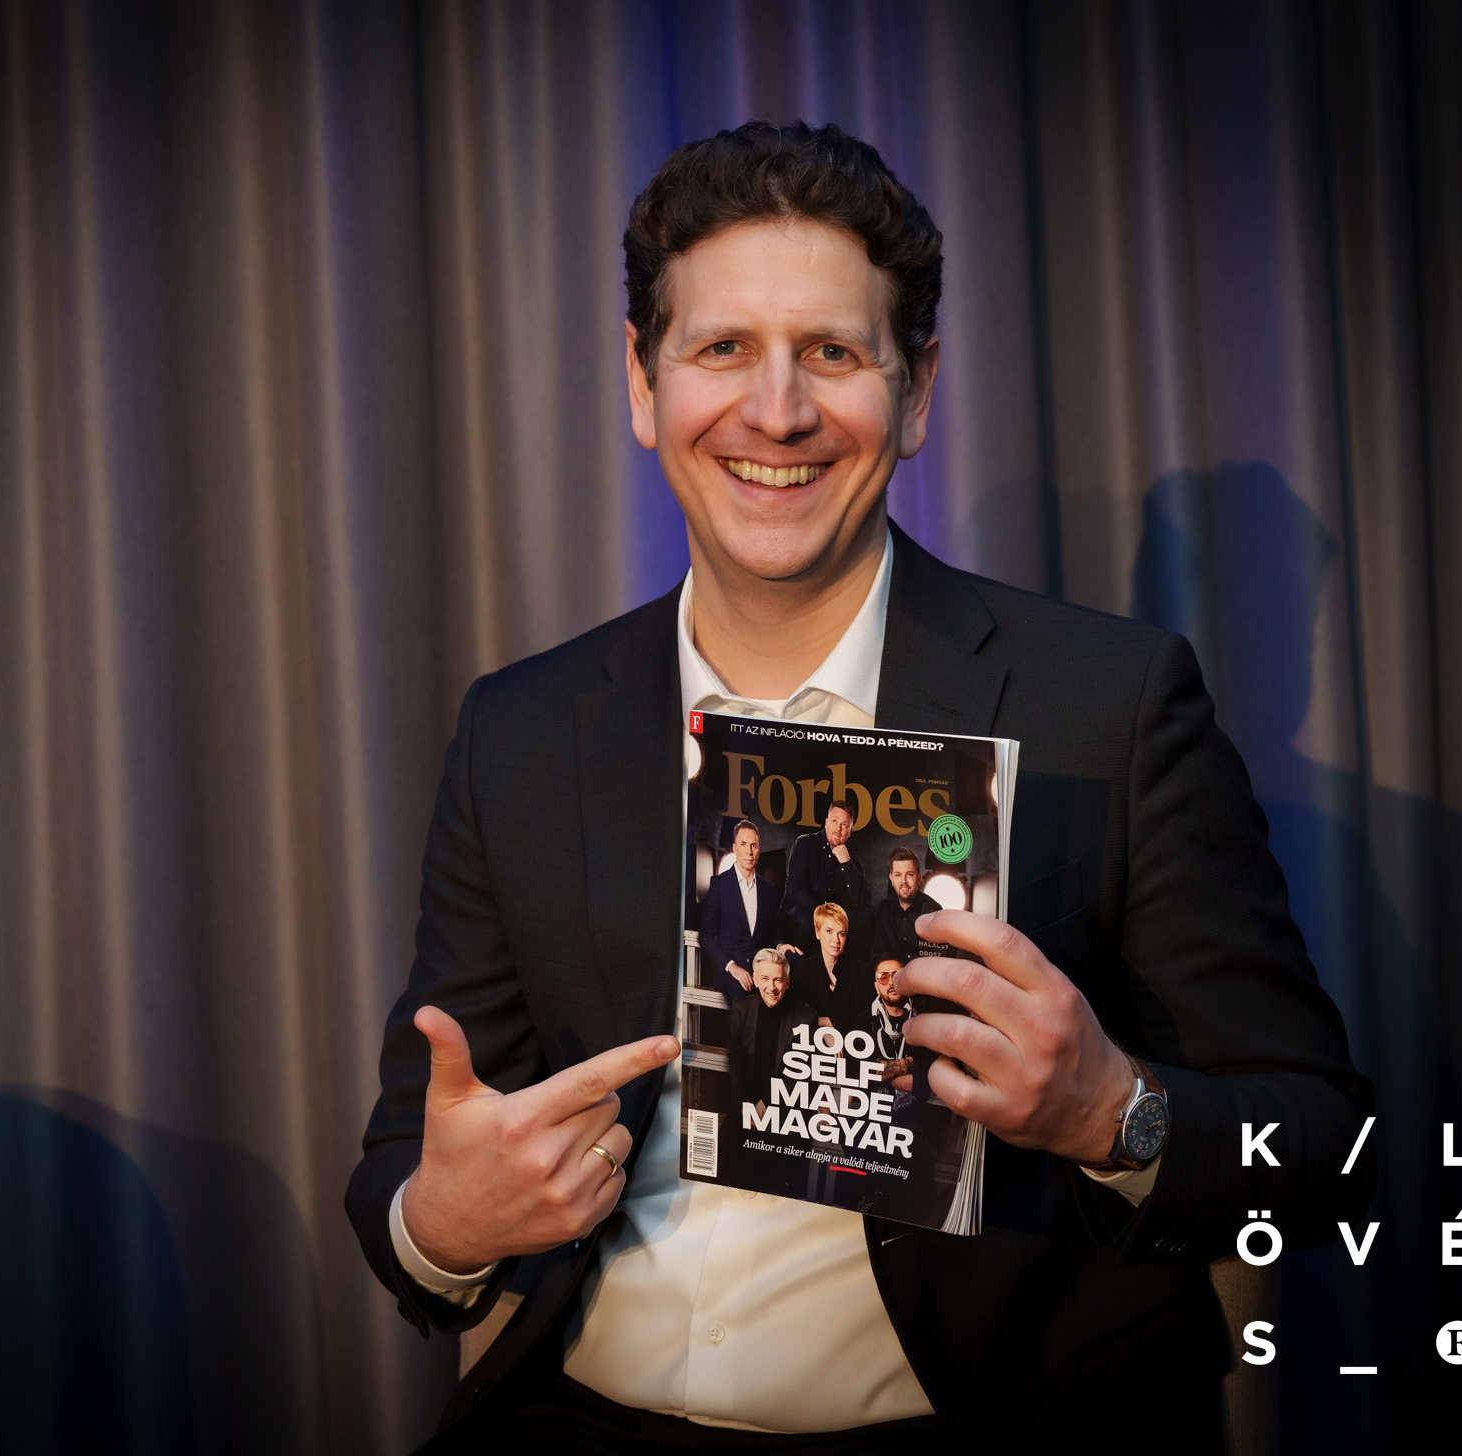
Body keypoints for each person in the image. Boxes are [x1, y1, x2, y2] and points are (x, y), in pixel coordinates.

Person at [347, 121, 1371, 1449]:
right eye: (723, 348)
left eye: (832, 352)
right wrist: (443, 1227)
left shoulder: (1109, 707)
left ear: (918, 391)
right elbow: (409, 1163)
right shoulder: (523, 730)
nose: (777, 411)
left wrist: (1112, 1111)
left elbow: (1324, 1145)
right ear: (644, 384)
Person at [697, 818, 782, 995]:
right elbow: (706, 936)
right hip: (732, 974)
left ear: (759, 850)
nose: (749, 852)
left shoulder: (768, 889)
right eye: (743, 844)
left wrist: (781, 945)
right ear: (735, 848)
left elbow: (773, 933)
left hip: (762, 972)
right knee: (744, 1002)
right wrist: (732, 967)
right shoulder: (720, 884)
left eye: (754, 846)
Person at [726, 949, 817, 1109]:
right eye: (765, 979)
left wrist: (766, 1105)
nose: (771, 987)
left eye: (778, 980)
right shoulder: (740, 1009)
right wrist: (743, 1103)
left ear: (787, 982)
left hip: (784, 1107)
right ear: (755, 980)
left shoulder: (806, 1018)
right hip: (746, 1103)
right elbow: (735, 1061)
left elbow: (796, 1073)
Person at [779, 799, 870, 949]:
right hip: (800, 914)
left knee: (864, 919)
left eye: (844, 825)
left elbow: (862, 903)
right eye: (834, 821)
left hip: (831, 923)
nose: (838, 829)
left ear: (850, 831)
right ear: (826, 822)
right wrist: (823, 920)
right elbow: (796, 888)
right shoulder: (805, 843)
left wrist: (847, 864)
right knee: (805, 921)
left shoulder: (851, 861)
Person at [789, 902, 874, 1029]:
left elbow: (863, 1017)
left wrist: (825, 1021)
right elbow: (796, 1015)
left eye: (841, 933)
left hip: (851, 1038)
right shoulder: (804, 970)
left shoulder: (861, 971)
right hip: (812, 1037)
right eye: (829, 931)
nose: (836, 940)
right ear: (817, 932)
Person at [868, 845, 942, 964]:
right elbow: (878, 952)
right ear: (891, 878)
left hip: (922, 973)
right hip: (894, 973)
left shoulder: (933, 910)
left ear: (919, 878)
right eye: (898, 875)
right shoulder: (884, 909)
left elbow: (939, 957)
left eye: (909, 874)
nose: (904, 881)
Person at [853, 956, 915, 1093]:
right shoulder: (864, 1019)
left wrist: (884, 1069)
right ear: (876, 987)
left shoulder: (920, 1019)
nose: (891, 983)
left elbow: (924, 1072)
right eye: (884, 977)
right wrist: (908, 1062)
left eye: (897, 976)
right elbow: (862, 1070)